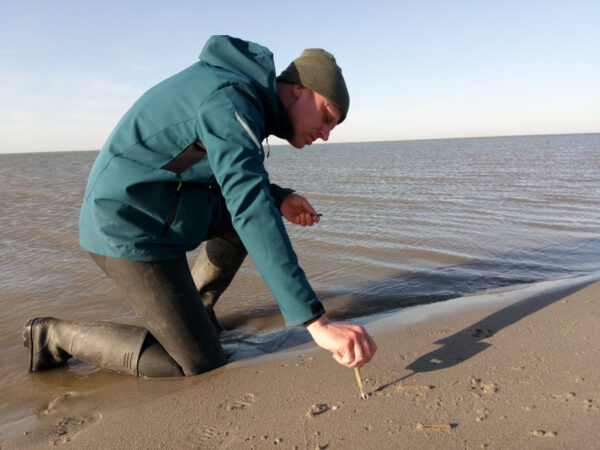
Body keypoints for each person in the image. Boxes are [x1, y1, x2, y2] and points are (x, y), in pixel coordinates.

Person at [23, 35, 377, 378]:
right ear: (300, 90)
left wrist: (278, 196)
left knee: (250, 220)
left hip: (164, 206)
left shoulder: (243, 97)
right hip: (124, 223)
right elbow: (249, 206)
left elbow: (227, 176)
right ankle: (52, 336)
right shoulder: (232, 101)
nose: (327, 134)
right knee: (196, 362)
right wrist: (316, 322)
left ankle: (198, 312)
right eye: (328, 117)